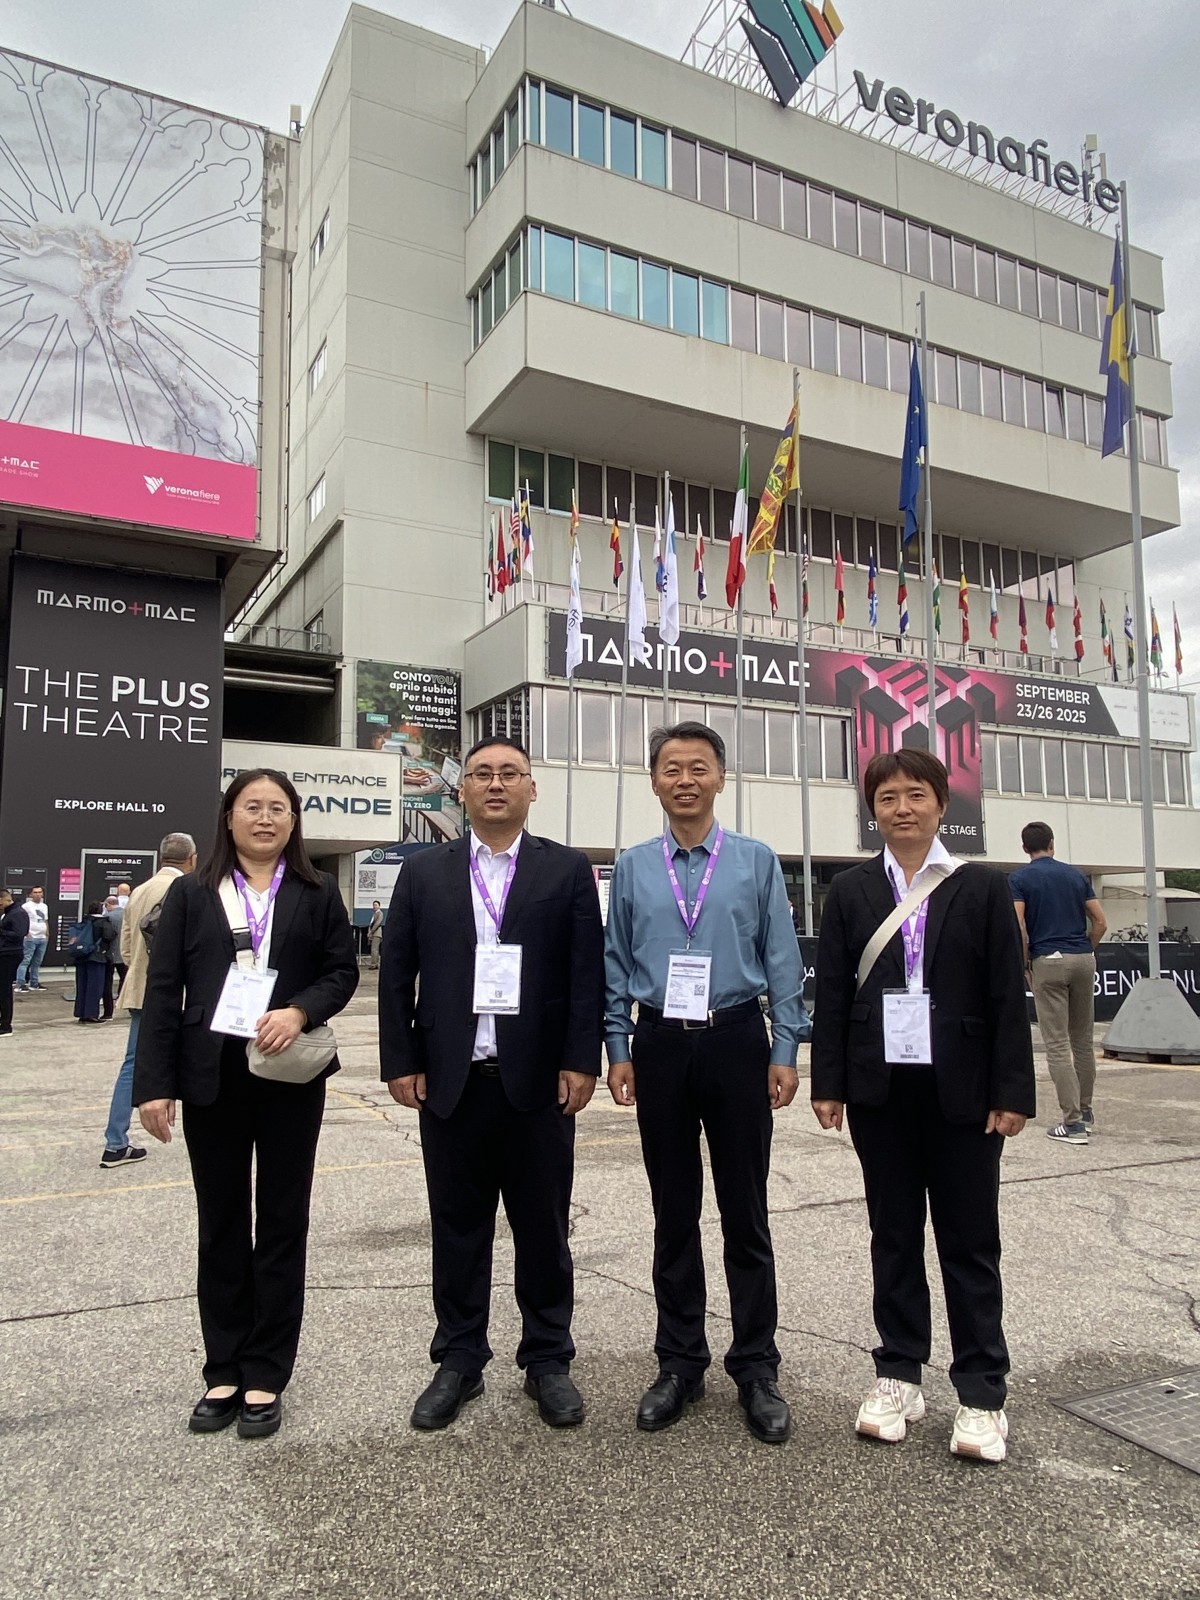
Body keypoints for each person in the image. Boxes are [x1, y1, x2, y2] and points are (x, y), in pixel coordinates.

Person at [811, 749, 1035, 1464]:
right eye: (887, 798)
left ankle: (981, 1394)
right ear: (871, 810)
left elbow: (1007, 993)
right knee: (894, 1235)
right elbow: (836, 995)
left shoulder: (982, 887)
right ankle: (898, 1373)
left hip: (964, 1091)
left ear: (942, 804)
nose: (901, 809)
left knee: (970, 1243)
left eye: (916, 795)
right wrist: (830, 1083)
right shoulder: (848, 890)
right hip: (882, 1090)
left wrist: (1012, 1092)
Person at [379, 736, 604, 1432]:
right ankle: (459, 1358)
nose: (496, 784)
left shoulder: (566, 870)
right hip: (450, 1081)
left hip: (537, 1081)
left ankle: (547, 1358)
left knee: (543, 1227)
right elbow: (395, 975)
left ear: (532, 789)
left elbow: (583, 974)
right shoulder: (424, 874)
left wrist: (581, 1060)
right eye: (482, 774)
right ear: (463, 791)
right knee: (457, 1228)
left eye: (511, 774)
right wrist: (400, 1061)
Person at [135, 769, 358, 1439]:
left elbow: (341, 972)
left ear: (294, 821)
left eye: (279, 808)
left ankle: (266, 1372)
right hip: (212, 1079)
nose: (265, 818)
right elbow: (164, 990)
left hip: (289, 1077)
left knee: (283, 1222)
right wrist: (154, 1084)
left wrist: (299, 1008)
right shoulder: (193, 896)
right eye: (252, 807)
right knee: (223, 1222)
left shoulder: (317, 893)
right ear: (228, 818)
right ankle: (224, 1367)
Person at [604, 722, 809, 1445]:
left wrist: (785, 1046)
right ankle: (679, 1363)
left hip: (733, 1041)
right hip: (659, 1043)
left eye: (698, 767)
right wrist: (618, 1042)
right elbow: (615, 960)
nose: (684, 779)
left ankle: (756, 1366)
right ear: (654, 781)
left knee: (745, 1212)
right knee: (673, 1212)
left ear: (720, 777)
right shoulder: (632, 867)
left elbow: (781, 959)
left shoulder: (754, 861)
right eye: (670, 768)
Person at [100, 833, 198, 1169]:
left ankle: (116, 1140)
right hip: (180, 992)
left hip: (142, 987)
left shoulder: (138, 891)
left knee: (133, 1062)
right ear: (192, 858)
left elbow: (126, 949)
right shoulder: (189, 888)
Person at [1010, 822, 1107, 1144]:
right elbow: (1100, 921)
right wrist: (1086, 949)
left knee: (1057, 1044)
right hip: (1082, 957)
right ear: (1052, 844)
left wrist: (1027, 963)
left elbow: (1020, 925)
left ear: (1025, 848)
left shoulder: (1020, 880)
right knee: (1082, 1040)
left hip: (1047, 959)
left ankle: (1073, 1123)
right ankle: (1087, 1110)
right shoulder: (1076, 876)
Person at [72, 901, 113, 1023]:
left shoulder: (84, 921)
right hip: (97, 957)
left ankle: (81, 1013)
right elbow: (109, 936)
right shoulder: (103, 922)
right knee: (95, 987)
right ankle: (91, 1014)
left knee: (82, 986)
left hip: (81, 956)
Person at [0, 890, 29, 1037]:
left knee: (5, 990)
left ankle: (6, 1026)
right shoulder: (9, 912)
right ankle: (3, 1022)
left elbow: (19, 934)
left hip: (10, 954)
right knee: (2, 990)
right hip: (5, 953)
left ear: (5, 900)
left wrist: (1, 931)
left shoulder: (17, 913)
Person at [15, 887, 49, 992]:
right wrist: (26, 932)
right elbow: (20, 919)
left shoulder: (44, 906)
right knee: (25, 960)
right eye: (35, 892)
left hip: (42, 937)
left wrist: (47, 932)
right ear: (31, 894)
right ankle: (20, 983)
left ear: (42, 894)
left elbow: (45, 920)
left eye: (39, 892)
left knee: (37, 962)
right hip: (30, 938)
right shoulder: (26, 906)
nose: (38, 894)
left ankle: (34, 983)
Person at [367, 901, 384, 970]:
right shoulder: (374, 914)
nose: (374, 906)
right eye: (374, 905)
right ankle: (375, 964)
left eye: (376, 905)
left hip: (377, 933)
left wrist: (371, 932)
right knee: (374, 949)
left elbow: (377, 923)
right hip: (373, 933)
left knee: (374, 950)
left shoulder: (380, 913)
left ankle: (374, 964)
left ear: (379, 906)